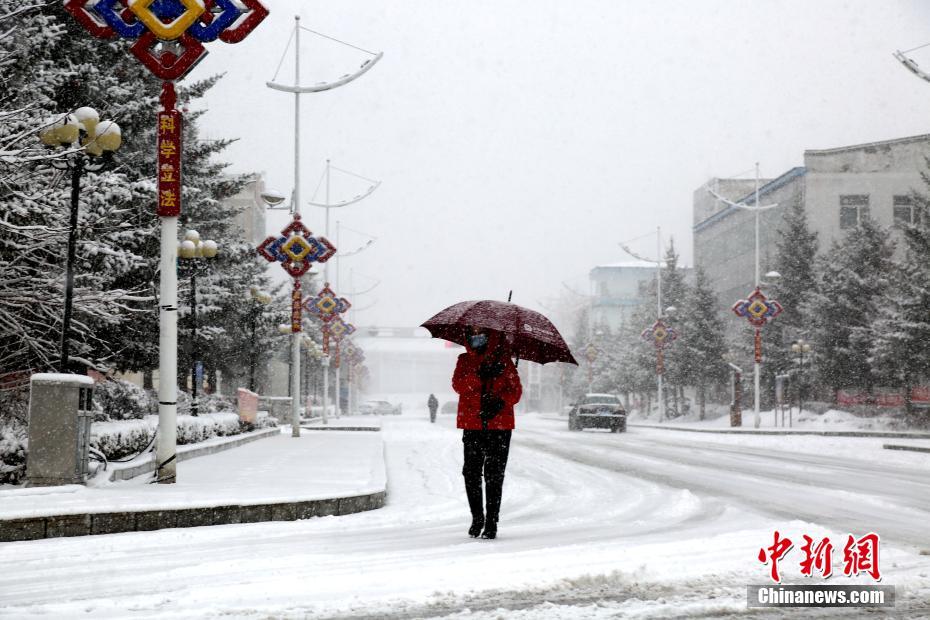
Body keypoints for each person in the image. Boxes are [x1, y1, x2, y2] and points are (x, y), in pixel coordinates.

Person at [451, 326, 522, 539]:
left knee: (494, 474)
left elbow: (516, 391)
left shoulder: (504, 361)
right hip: (472, 424)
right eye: (472, 336)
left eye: (481, 336)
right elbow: (458, 384)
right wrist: (478, 375)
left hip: (499, 426)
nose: (476, 340)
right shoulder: (464, 361)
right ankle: (477, 517)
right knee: (471, 473)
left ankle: (492, 520)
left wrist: (500, 401)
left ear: (489, 338)